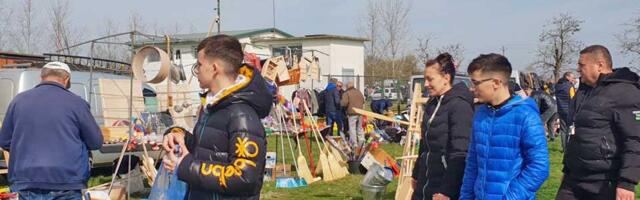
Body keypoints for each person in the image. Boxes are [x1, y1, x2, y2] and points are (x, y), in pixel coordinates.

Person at [162, 35, 272, 199]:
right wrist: (178, 135)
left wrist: (185, 165)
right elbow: (208, 151)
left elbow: (244, 177)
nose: (197, 70)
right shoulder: (213, 107)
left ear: (214, 68)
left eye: (199, 65)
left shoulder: (241, 115)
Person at [0, 62, 103, 199]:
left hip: (27, 179)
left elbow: (5, 141)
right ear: (66, 79)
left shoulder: (18, 101)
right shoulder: (77, 103)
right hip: (66, 179)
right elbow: (95, 142)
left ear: (41, 77)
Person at [459, 53, 549, 199]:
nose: (472, 88)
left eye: (476, 83)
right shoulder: (481, 114)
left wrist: (510, 197)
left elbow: (539, 167)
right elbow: (473, 164)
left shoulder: (526, 116)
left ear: (496, 82)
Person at [556, 45, 640, 200]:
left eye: (582, 65)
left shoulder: (625, 92)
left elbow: (634, 140)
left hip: (604, 181)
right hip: (574, 178)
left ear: (600, 65)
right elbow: (576, 134)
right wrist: (567, 169)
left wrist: (627, 183)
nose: (578, 69)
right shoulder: (583, 91)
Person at [411, 53, 474, 200]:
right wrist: (416, 174)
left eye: (430, 79)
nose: (426, 84)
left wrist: (447, 191)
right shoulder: (432, 104)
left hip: (444, 186)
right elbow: (425, 145)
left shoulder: (460, 106)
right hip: (425, 182)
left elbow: (461, 152)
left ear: (446, 78)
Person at [554, 72, 576, 152]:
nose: (573, 79)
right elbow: (573, 98)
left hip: (560, 109)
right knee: (570, 129)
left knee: (563, 130)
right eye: (572, 77)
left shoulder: (557, 86)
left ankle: (564, 148)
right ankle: (570, 147)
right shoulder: (569, 86)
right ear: (567, 77)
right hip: (569, 110)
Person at [340, 82, 366, 146]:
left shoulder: (346, 93)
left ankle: (354, 144)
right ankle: (362, 143)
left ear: (347, 87)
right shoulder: (359, 92)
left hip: (352, 113)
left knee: (352, 128)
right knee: (360, 128)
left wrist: (340, 103)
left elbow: (344, 103)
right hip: (360, 112)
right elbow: (363, 101)